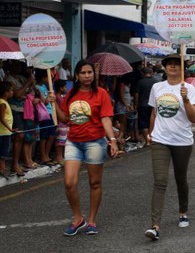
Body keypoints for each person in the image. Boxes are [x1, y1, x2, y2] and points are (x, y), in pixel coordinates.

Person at [54, 61, 119, 236]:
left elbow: (106, 119)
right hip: (73, 142)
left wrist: (112, 140)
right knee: (69, 182)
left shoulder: (101, 94)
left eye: (90, 72)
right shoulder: (71, 94)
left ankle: (91, 221)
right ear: (77, 75)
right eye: (83, 72)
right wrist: (54, 103)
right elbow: (64, 118)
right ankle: (77, 219)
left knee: (94, 182)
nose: (87, 75)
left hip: (95, 142)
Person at [144, 54, 195, 241]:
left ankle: (183, 211)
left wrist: (185, 100)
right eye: (170, 64)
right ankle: (155, 226)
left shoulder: (189, 88)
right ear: (164, 68)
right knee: (159, 181)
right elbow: (154, 112)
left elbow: (193, 118)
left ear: (182, 69)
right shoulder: (157, 87)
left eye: (177, 64)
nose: (173, 67)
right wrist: (150, 133)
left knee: (180, 178)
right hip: (160, 139)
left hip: (182, 141)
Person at [134, 66, 160, 146]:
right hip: (154, 105)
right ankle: (153, 138)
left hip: (143, 105)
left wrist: (136, 104)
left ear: (143, 73)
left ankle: (147, 140)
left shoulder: (140, 82)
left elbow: (136, 94)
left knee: (143, 123)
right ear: (151, 73)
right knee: (153, 121)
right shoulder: (156, 81)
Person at [0, 82, 13, 177]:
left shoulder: (4, 102)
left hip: (6, 131)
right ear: (6, 93)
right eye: (11, 90)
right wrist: (10, 128)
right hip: (3, 132)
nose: (13, 92)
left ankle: (2, 168)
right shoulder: (2, 103)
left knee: (4, 151)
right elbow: (2, 118)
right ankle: (2, 169)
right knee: (3, 152)